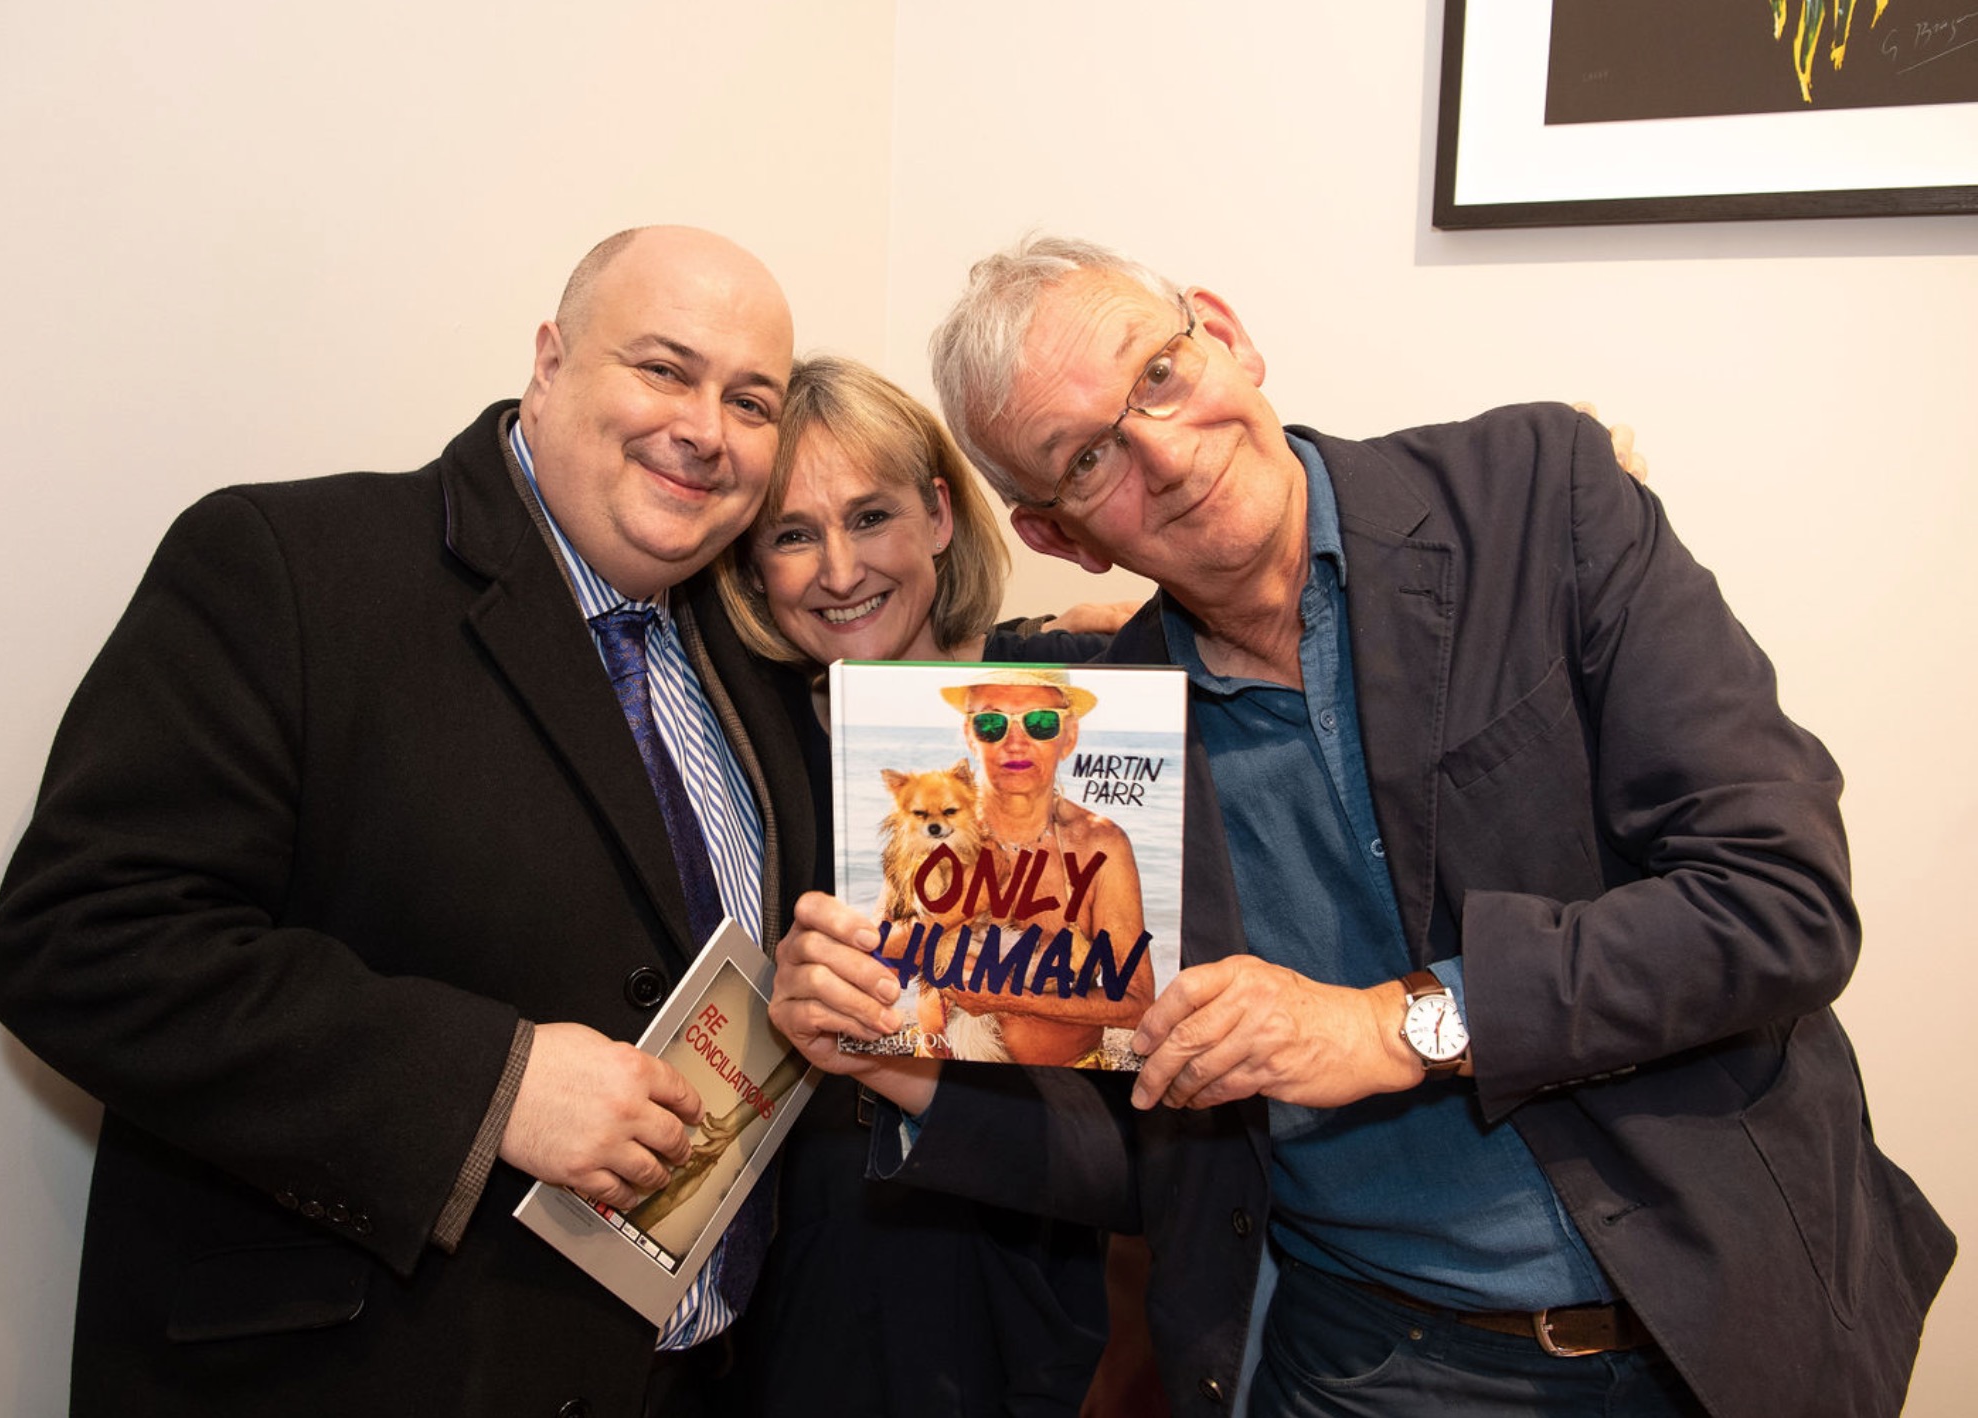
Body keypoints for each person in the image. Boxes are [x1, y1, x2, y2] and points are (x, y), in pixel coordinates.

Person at [768, 236, 1954, 1418]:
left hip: (1716, 1320)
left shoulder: (1539, 494)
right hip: (1369, 1361)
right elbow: (1152, 1147)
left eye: (1159, 376)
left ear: (1224, 335)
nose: (1165, 455)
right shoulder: (1099, 732)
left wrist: (1395, 1021)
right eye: (1088, 458)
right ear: (1059, 533)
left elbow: (1777, 899)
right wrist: (901, 1054)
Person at [0, 226, 818, 1417]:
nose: (706, 427)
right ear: (549, 359)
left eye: (752, 398)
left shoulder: (749, 653)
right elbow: (81, 943)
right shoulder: (292, 569)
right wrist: (493, 1083)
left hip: (692, 1379)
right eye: (663, 369)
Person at [711, 354, 1130, 1416]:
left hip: (1014, 1295)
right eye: (791, 534)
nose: (838, 569)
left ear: (940, 514)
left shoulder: (1072, 711)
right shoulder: (734, 749)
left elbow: (1122, 1126)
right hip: (788, 1310)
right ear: (751, 563)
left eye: (872, 515)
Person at [921, 667, 1152, 1067]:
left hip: (1066, 1095)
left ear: (1069, 737)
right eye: (991, 723)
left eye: (1041, 723)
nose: (1015, 742)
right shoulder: (934, 827)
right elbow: (879, 951)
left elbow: (1136, 1002)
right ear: (969, 734)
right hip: (930, 1081)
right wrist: (960, 908)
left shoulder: (1100, 844)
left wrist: (1012, 999)